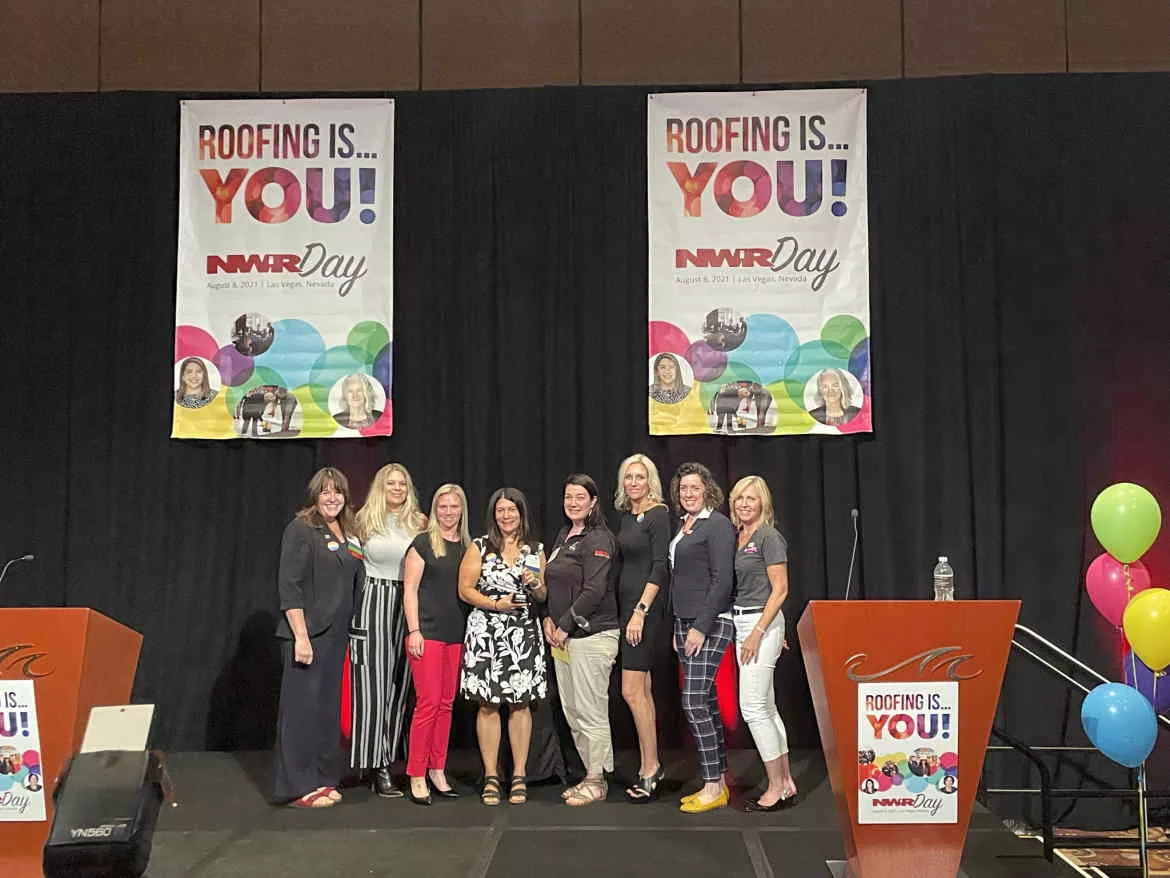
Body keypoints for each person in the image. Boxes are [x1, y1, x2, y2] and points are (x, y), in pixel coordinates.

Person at [273, 467, 364, 808]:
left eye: (337, 491)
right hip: (307, 634)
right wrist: (300, 636)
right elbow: (289, 585)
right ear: (315, 495)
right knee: (301, 712)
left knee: (326, 712)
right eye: (325, 491)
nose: (332, 498)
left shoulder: (349, 532)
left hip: (336, 636)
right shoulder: (301, 529)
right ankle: (299, 786)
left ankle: (324, 778)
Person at [459, 488, 549, 806]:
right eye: (500, 510)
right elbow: (465, 589)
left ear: (521, 513)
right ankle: (491, 776)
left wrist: (536, 584)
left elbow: (542, 595)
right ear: (493, 514)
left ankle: (519, 775)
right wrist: (496, 604)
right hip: (486, 633)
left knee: (520, 704)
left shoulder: (535, 549)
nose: (506, 515)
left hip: (522, 635)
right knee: (487, 705)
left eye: (512, 510)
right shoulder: (480, 546)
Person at [351, 463, 427, 798]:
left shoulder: (420, 523)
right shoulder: (363, 520)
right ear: (380, 487)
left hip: (407, 600)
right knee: (373, 686)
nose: (397, 489)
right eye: (391, 483)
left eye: (402, 484)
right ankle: (373, 763)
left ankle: (390, 759)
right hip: (374, 599)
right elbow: (349, 566)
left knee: (400, 685)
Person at [544, 474, 620, 807]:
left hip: (592, 636)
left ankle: (597, 780)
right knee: (573, 711)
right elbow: (555, 584)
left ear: (592, 502)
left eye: (580, 497)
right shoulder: (564, 535)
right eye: (568, 497)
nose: (573, 503)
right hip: (563, 640)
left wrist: (564, 624)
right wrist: (547, 618)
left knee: (591, 711)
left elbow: (594, 590)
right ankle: (590, 773)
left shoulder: (598, 537)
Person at [669, 462, 736, 814]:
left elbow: (722, 579)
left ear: (707, 489)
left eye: (695, 487)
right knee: (705, 702)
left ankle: (712, 786)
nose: (688, 493)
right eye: (683, 488)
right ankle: (718, 782)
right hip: (685, 622)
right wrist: (679, 627)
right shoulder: (685, 525)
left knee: (694, 702)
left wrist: (699, 626)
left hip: (710, 622)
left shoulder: (718, 524)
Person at [728, 476, 797, 812]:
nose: (744, 504)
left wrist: (759, 631)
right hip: (744, 621)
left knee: (753, 707)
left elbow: (780, 589)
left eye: (751, 498)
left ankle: (774, 787)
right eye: (739, 498)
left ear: (763, 503)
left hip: (759, 624)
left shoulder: (768, 536)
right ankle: (785, 781)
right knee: (766, 707)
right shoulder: (739, 536)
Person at [402, 484, 472, 805]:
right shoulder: (422, 544)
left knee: (446, 704)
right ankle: (416, 773)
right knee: (427, 704)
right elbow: (410, 590)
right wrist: (414, 630)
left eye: (454, 506)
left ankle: (437, 768)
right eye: (442, 506)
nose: (448, 512)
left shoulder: (468, 546)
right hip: (427, 633)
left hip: (456, 634)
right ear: (434, 510)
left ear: (462, 510)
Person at [613, 453, 669, 802]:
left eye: (640, 477)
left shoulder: (658, 514)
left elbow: (660, 566)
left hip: (643, 612)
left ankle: (651, 767)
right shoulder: (627, 516)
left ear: (651, 481)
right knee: (641, 691)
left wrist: (640, 612)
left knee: (631, 691)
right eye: (629, 477)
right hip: (627, 611)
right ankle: (651, 765)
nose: (634, 482)